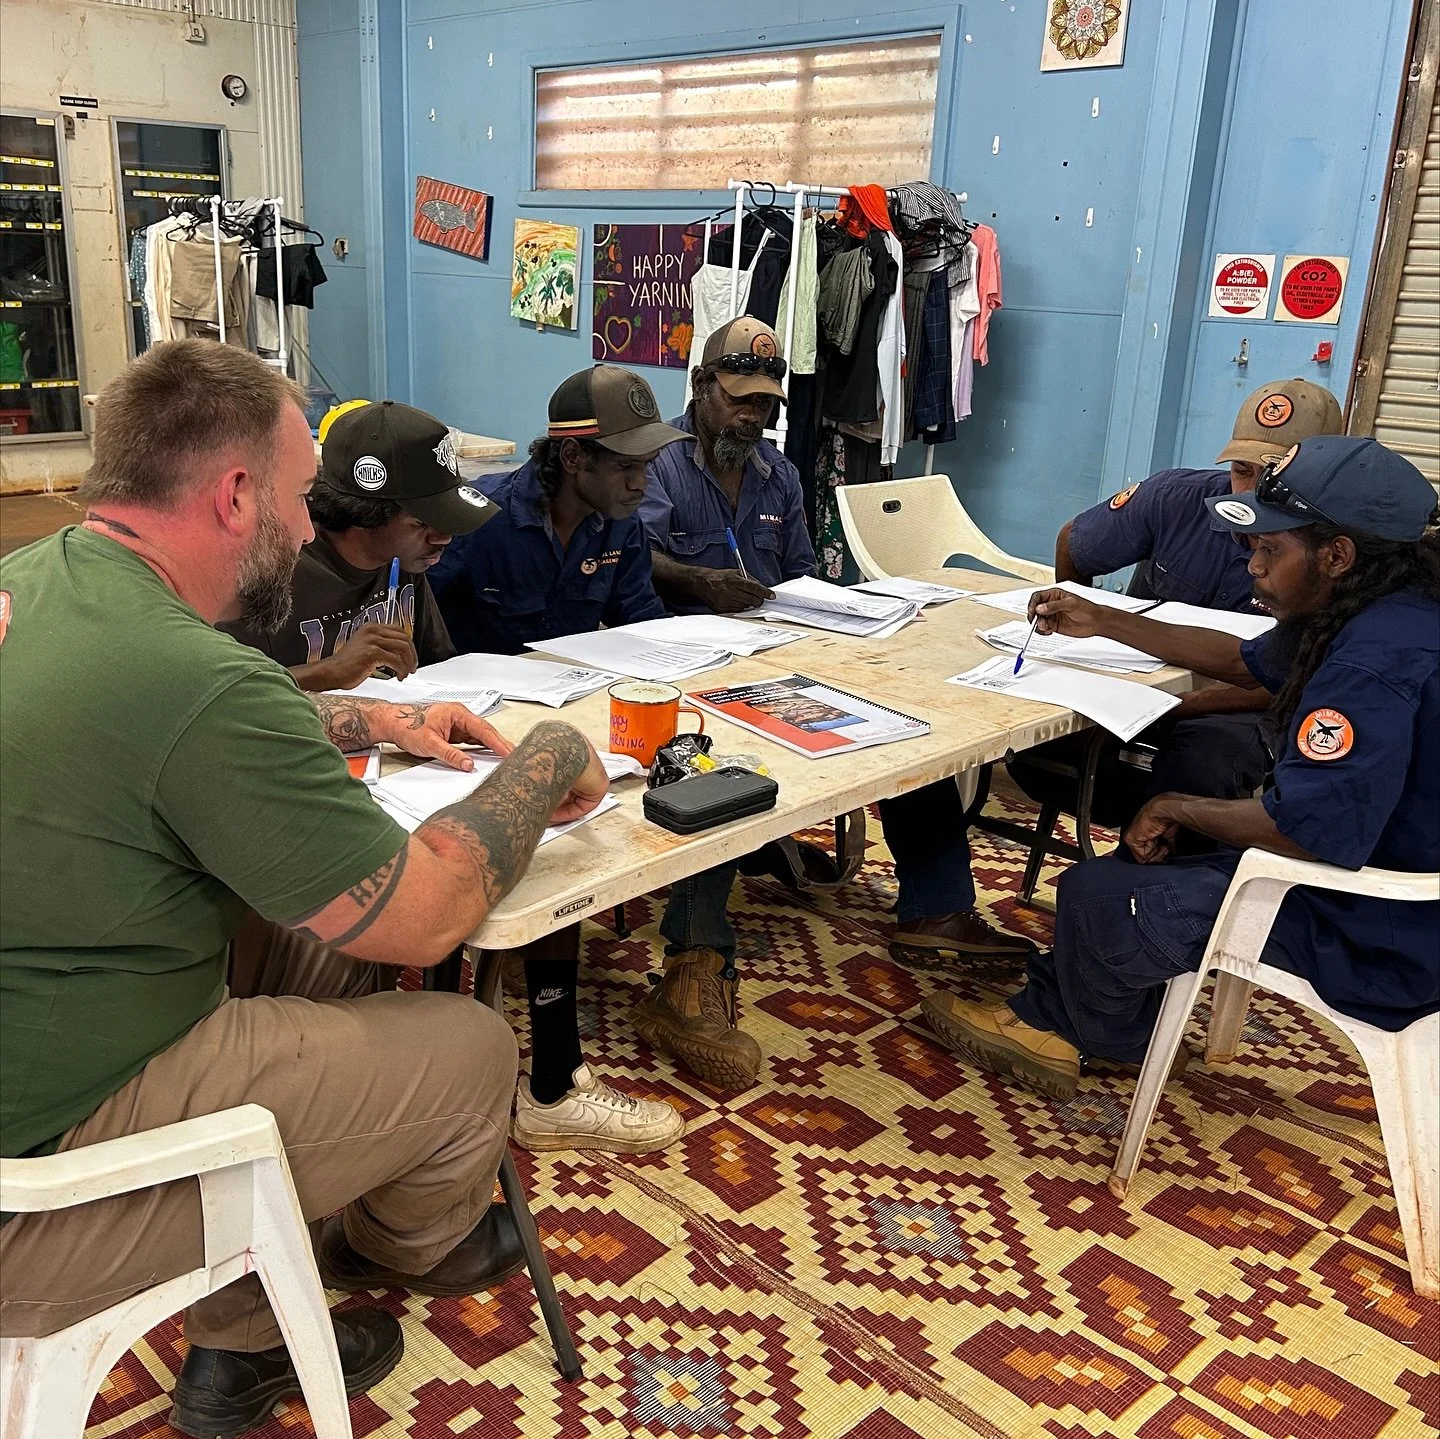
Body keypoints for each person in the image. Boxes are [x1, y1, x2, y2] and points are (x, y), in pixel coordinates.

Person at [0, 340, 612, 1438]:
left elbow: (161, 721)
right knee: (471, 1044)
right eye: (292, 495)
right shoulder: (194, 674)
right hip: (39, 1180)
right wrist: (550, 752)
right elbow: (428, 905)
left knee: (325, 950)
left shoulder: (39, 578)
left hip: (46, 1038)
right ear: (235, 493)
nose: (299, 520)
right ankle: (388, 1244)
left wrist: (371, 717)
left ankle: (241, 1337)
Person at [921, 436, 1439, 1099]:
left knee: (1099, 896)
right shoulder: (1383, 606)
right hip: (1391, 884)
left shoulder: (1373, 662)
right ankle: (1113, 1018)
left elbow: (1306, 829)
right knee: (1160, 857)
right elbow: (1242, 659)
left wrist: (1173, 807)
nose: (1252, 565)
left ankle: (1064, 1029)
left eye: (1270, 550)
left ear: (1337, 554)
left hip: (1379, 931)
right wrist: (1103, 618)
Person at [633, 318, 1034, 1091]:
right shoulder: (658, 462)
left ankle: (934, 908)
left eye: (765, 404)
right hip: (678, 661)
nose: (752, 417)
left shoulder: (778, 474)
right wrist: (699, 581)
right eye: (739, 400)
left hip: (776, 653)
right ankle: (695, 961)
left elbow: (802, 577)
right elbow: (631, 559)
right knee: (704, 759)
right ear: (701, 388)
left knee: (906, 720)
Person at [432, 364, 695, 1149]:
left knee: (694, 789)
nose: (644, 481)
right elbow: (424, 644)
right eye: (627, 464)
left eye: (649, 462)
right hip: (478, 750)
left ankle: (694, 964)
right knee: (561, 848)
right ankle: (552, 1076)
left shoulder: (622, 525)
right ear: (572, 458)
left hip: (579, 739)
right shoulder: (478, 526)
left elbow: (638, 629)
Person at [1016, 379, 1345, 825]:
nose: (1250, 491)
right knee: (1031, 739)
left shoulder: (1334, 551)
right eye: (1243, 470)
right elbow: (1075, 544)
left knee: (1202, 764)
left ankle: (1162, 877)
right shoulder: (1176, 498)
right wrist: (1077, 632)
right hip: (1138, 687)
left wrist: (1169, 705)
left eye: (1275, 478)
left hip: (1243, 708)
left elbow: (1292, 680)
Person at [222, 399, 498, 690]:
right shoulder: (273, 570)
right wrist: (329, 671)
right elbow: (223, 696)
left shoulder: (404, 559)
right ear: (364, 514)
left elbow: (435, 666)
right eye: (421, 523)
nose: (443, 538)